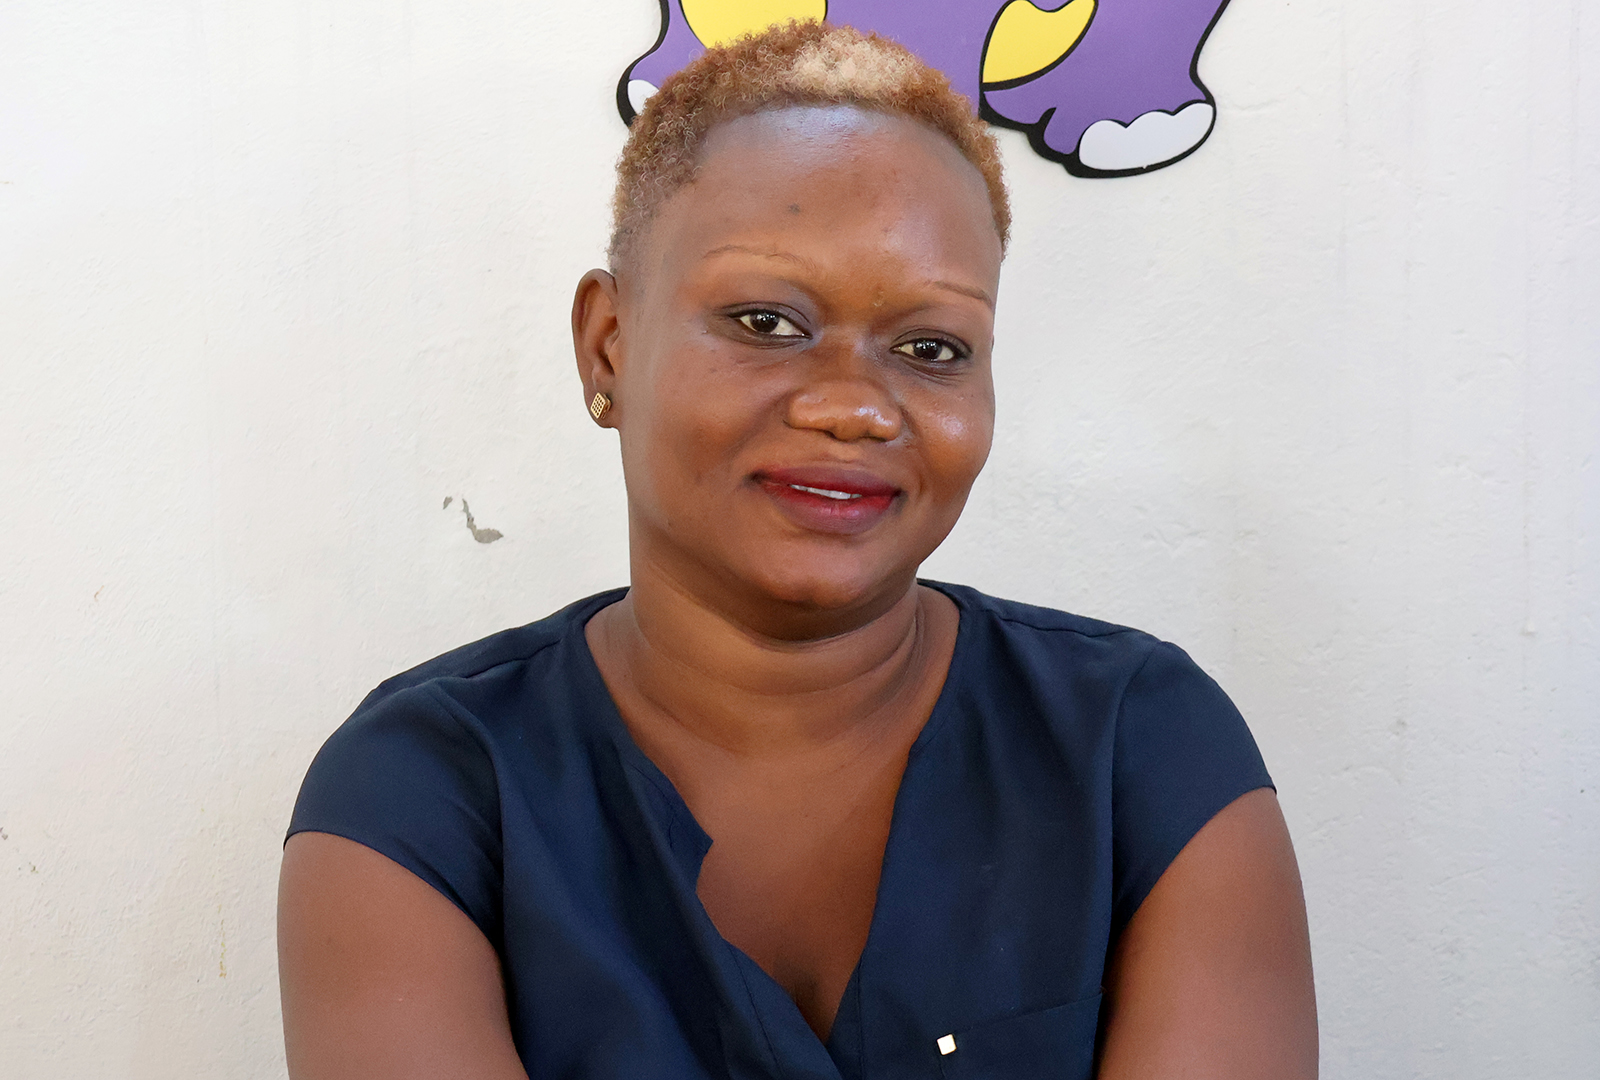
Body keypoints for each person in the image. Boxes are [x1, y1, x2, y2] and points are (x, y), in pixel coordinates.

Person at [277, 21, 1317, 1080]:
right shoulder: (426, 793)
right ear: (609, 343)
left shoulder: (1137, 748)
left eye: (930, 348)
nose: (854, 407)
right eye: (765, 321)